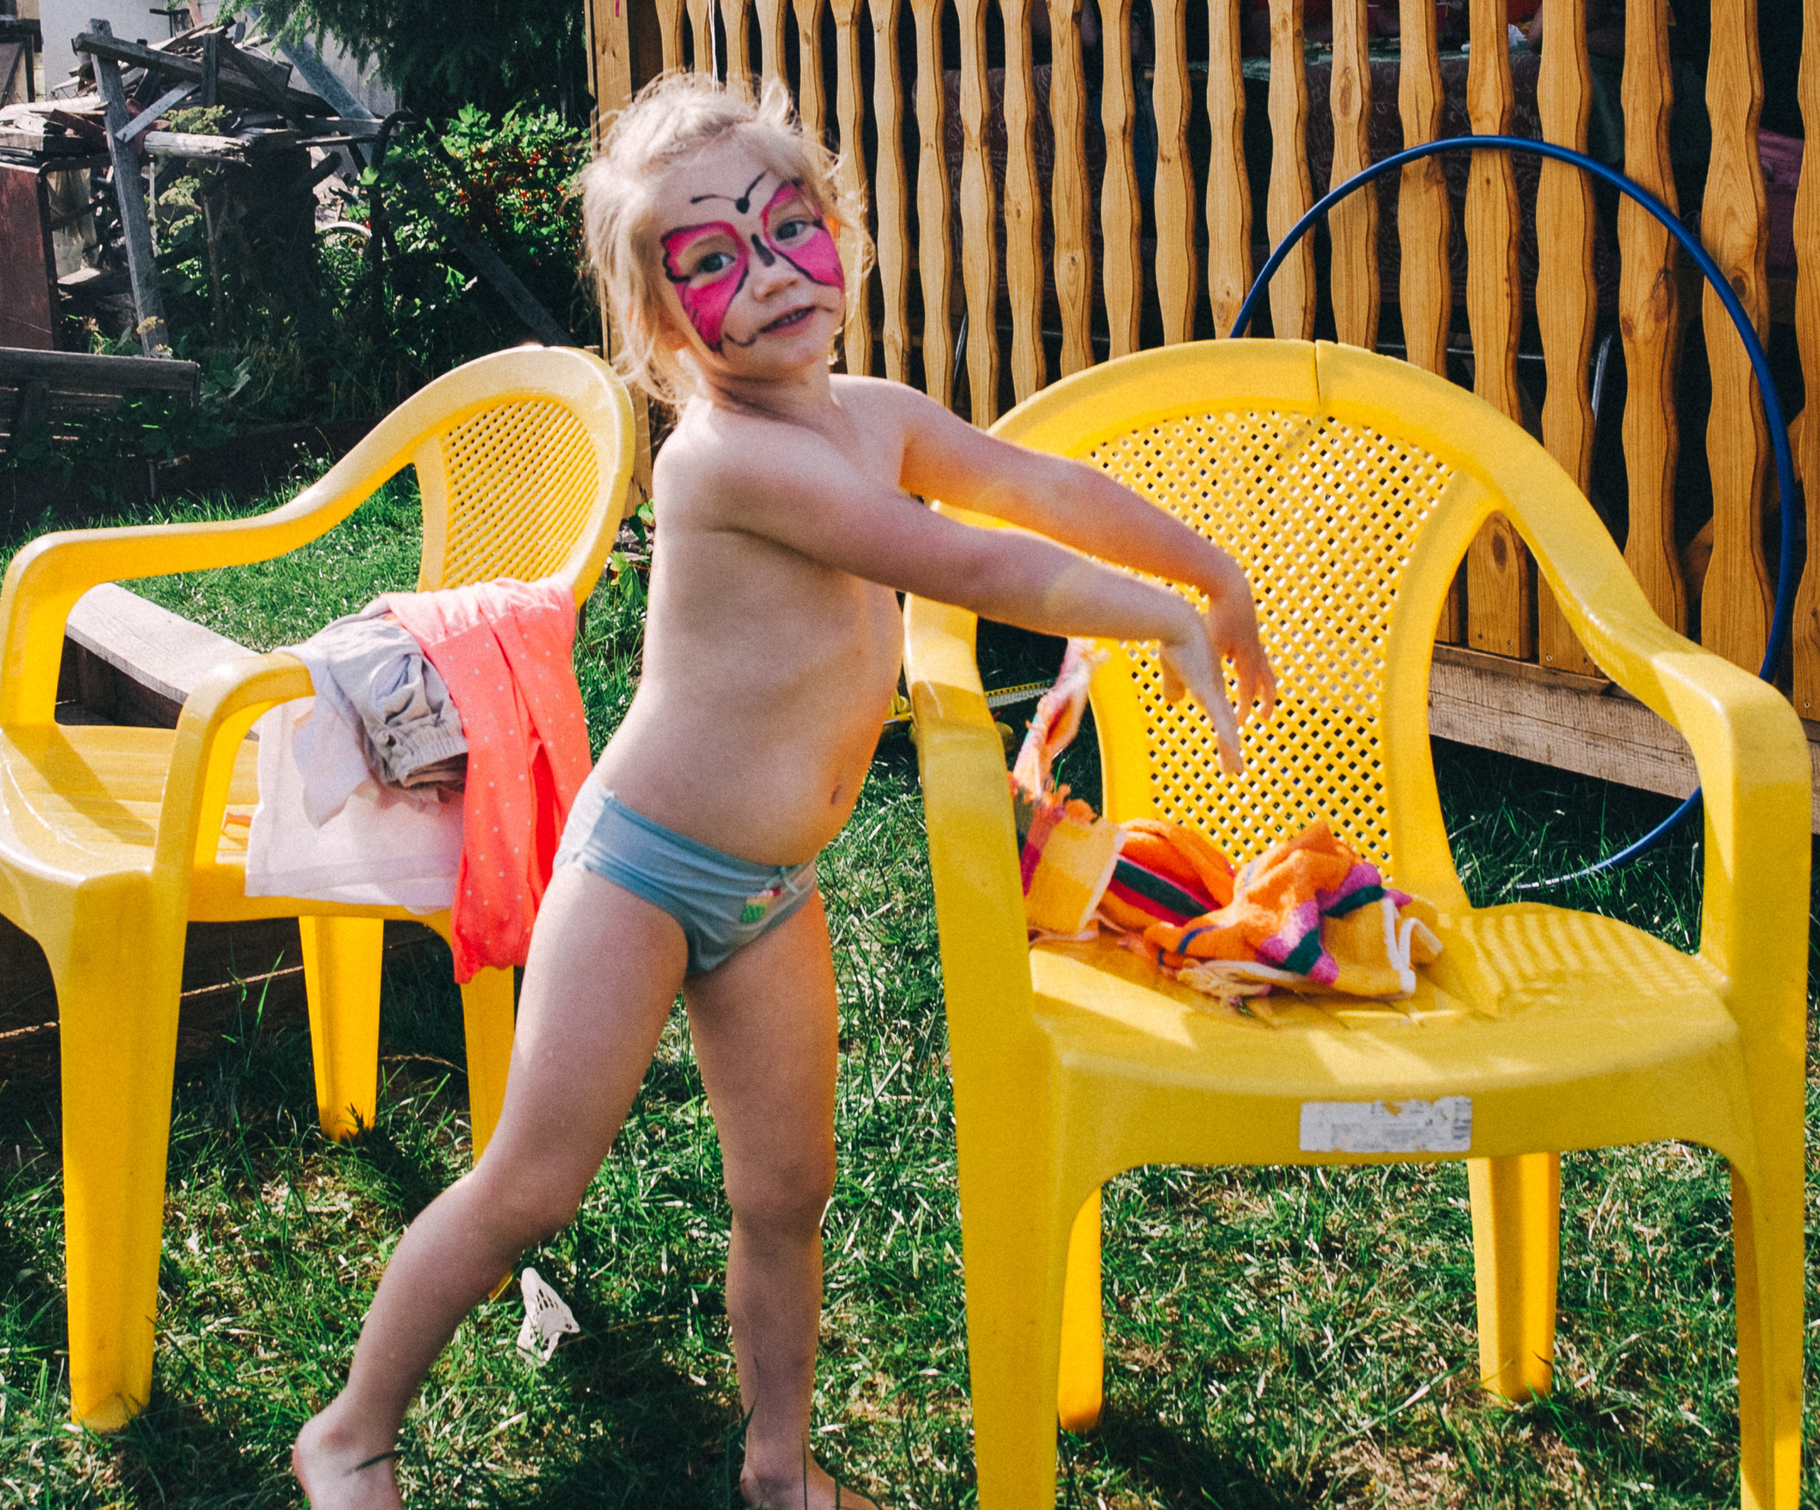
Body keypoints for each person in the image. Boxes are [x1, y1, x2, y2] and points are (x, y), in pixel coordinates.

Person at [292, 73, 1280, 1510]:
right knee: (535, 1182)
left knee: (788, 1194)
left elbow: (1028, 490)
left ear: (840, 230)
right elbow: (971, 562)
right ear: (660, 323)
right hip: (638, 871)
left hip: (769, 894)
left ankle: (775, 1466)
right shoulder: (728, 463)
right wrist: (1158, 618)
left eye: (787, 227)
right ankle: (352, 1428)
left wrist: (1209, 568)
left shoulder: (874, 414)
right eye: (710, 261)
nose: (766, 277)